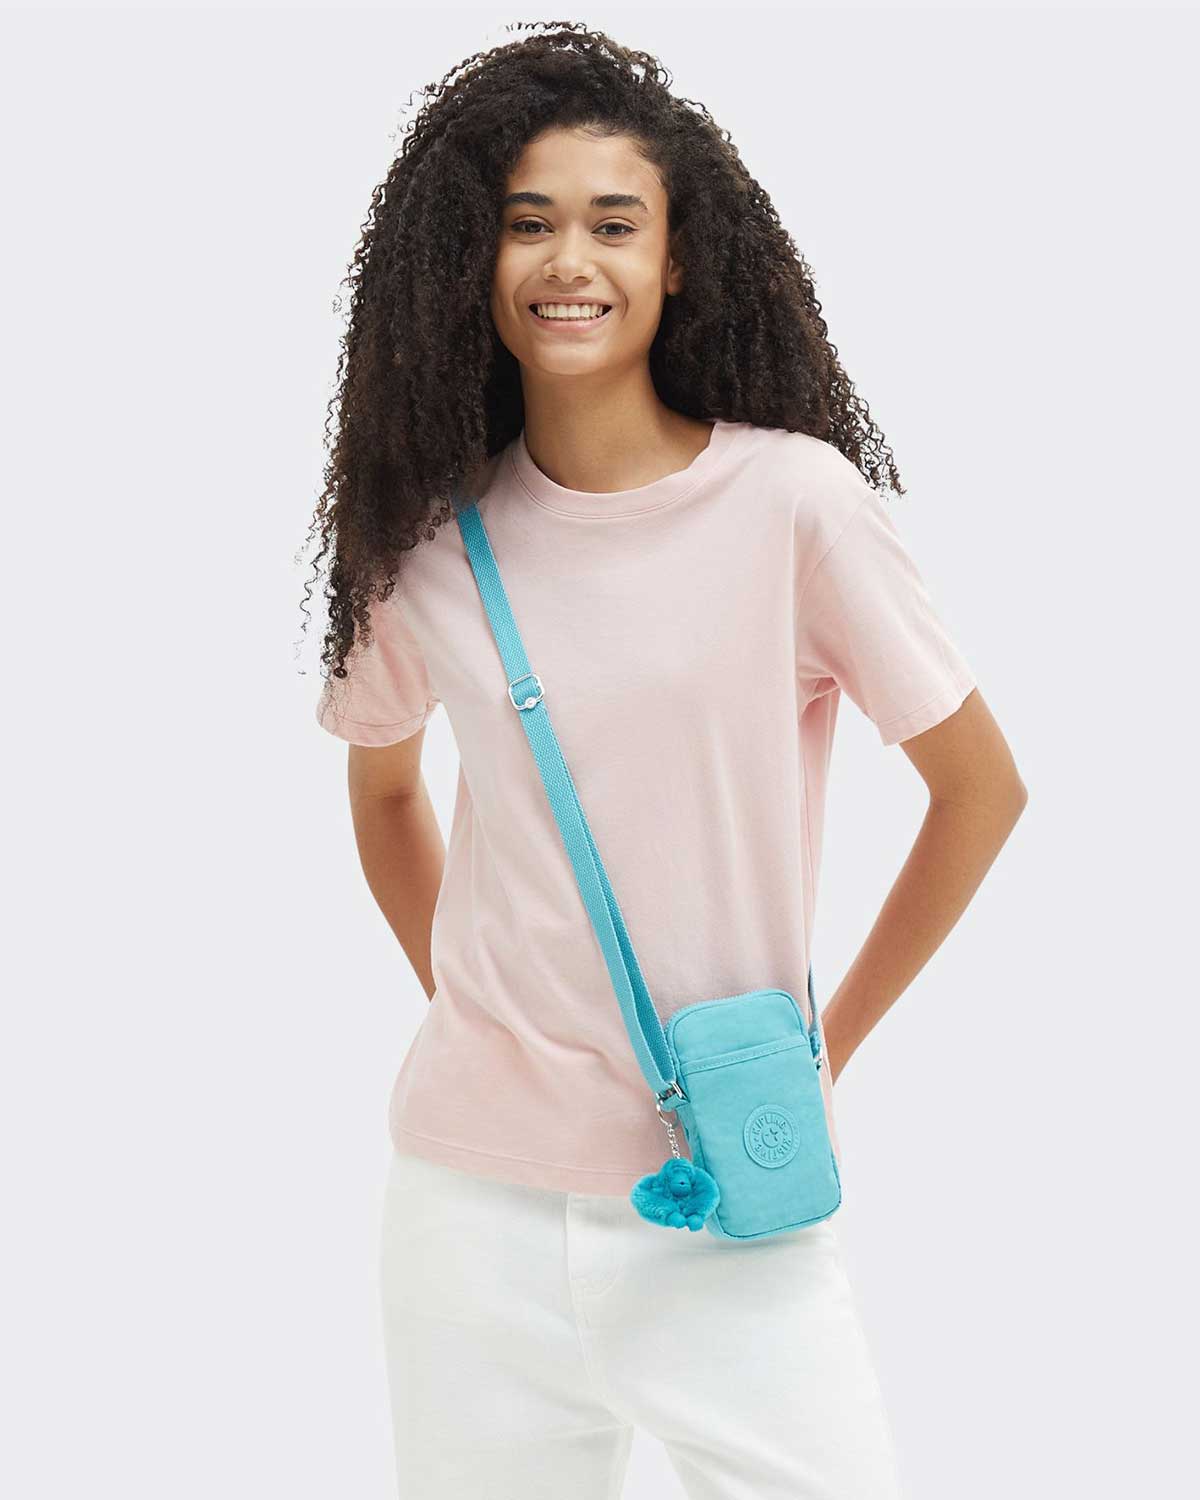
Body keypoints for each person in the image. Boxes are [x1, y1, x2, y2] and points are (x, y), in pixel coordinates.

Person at [306, 22, 1027, 1499]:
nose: (568, 260)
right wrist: (484, 1007)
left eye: (613, 223)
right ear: (470, 259)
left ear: (679, 258)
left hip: (728, 1208)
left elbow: (980, 790)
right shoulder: (428, 546)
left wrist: (824, 1053)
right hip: (468, 1210)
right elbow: (383, 790)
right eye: (527, 223)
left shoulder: (796, 507)